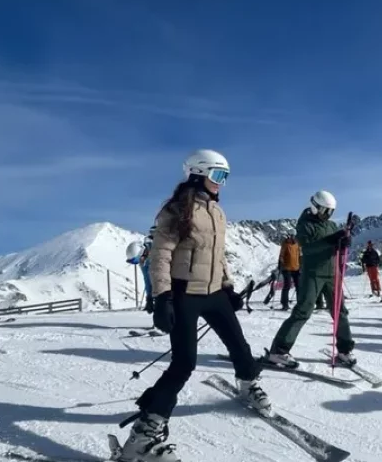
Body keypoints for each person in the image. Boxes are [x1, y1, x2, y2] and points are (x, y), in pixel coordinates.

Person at [112, 150, 270, 462]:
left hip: (214, 293)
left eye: (226, 177)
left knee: (240, 346)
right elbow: (161, 256)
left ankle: (248, 384)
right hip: (185, 293)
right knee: (183, 364)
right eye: (218, 175)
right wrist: (162, 298)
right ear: (198, 174)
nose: (222, 183)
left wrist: (228, 287)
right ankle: (144, 436)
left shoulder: (217, 212)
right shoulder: (176, 210)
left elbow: (218, 256)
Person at [266, 191, 359, 368]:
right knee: (303, 311)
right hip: (313, 274)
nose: (327, 215)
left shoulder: (331, 225)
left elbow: (336, 246)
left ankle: (344, 350)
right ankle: (279, 351)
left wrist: (344, 241)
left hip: (332, 273)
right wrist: (332, 240)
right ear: (315, 207)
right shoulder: (305, 225)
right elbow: (308, 248)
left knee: (340, 311)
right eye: (325, 210)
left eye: (330, 211)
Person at [126, 234, 154, 313]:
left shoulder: (157, 251)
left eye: (137, 260)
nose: (139, 263)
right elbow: (147, 280)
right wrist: (149, 297)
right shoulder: (144, 263)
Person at [276, 233, 301, 311]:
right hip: (286, 268)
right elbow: (281, 255)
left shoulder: (297, 244)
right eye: (290, 236)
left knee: (299, 286)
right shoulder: (285, 244)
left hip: (296, 268)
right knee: (287, 285)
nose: (292, 237)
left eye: (293, 236)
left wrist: (301, 265)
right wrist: (280, 263)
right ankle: (285, 304)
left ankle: (300, 304)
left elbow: (299, 255)